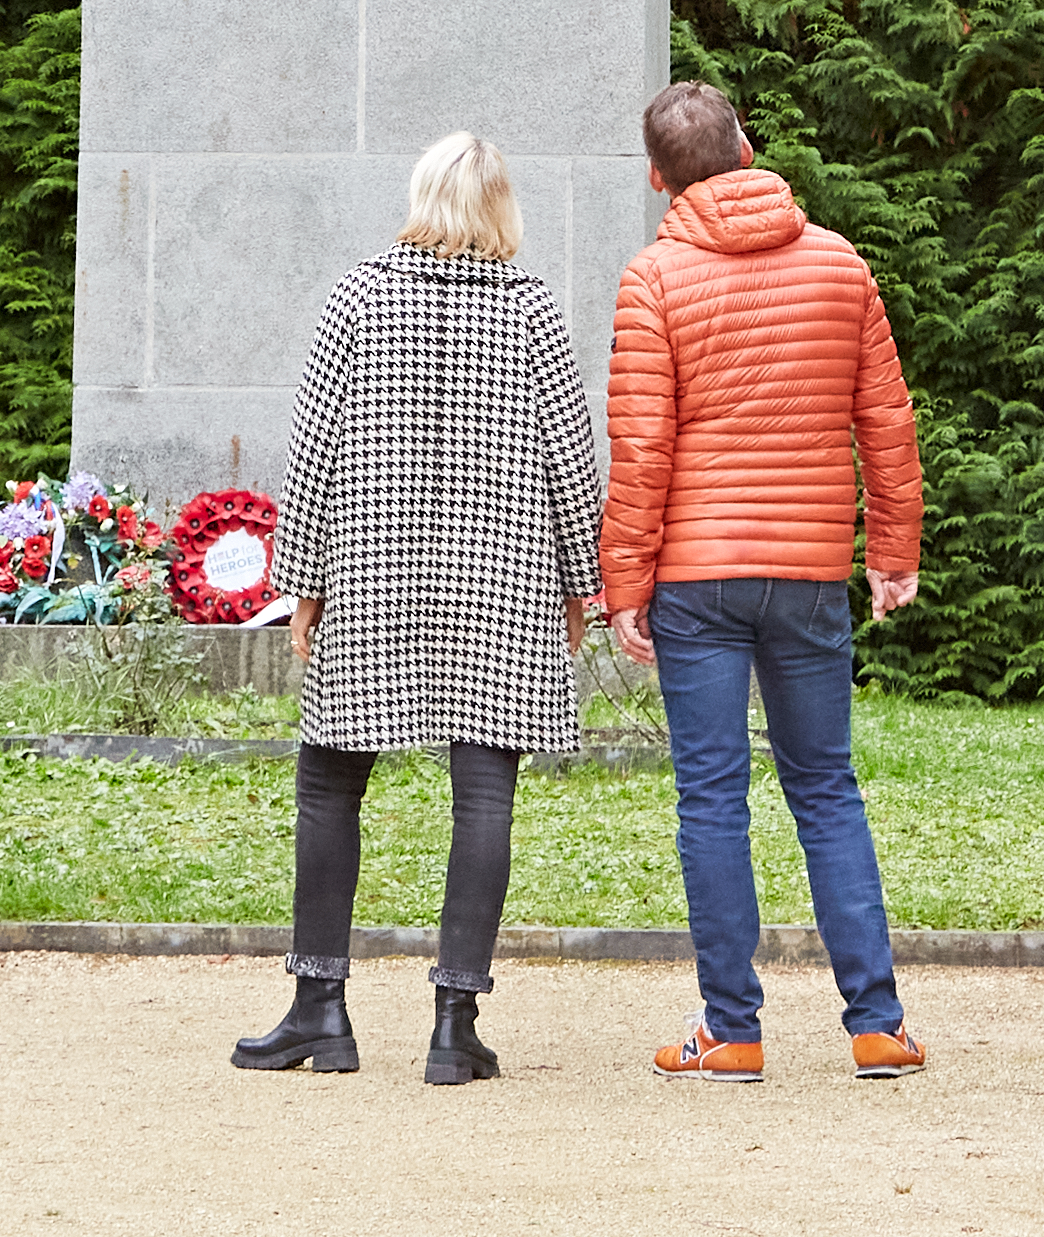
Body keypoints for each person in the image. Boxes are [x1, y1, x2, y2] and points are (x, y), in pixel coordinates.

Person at [237, 131, 609, 1085]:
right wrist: (582, 582)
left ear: (421, 194)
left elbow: (312, 445)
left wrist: (301, 581)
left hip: (372, 571)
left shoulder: (359, 295)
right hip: (502, 579)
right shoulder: (529, 306)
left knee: (329, 781)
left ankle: (319, 1007)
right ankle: (454, 1024)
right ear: (499, 205)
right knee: (483, 789)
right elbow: (571, 456)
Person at [600, 81, 926, 1080]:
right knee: (824, 785)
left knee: (711, 797)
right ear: (746, 146)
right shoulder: (837, 262)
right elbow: (886, 418)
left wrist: (625, 578)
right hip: (810, 565)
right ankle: (875, 1021)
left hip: (698, 576)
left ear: (657, 175)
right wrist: (893, 549)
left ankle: (730, 1028)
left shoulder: (651, 276)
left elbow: (642, 445)